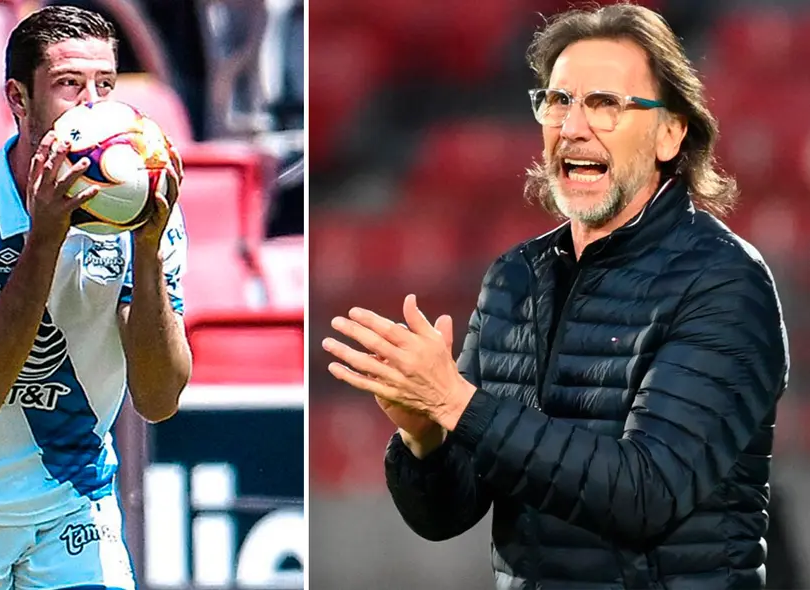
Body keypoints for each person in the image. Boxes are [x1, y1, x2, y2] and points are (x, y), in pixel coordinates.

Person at [321, 4, 789, 589]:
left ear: (671, 133)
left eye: (605, 104)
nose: (572, 126)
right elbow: (448, 516)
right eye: (559, 101)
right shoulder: (514, 279)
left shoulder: (725, 282)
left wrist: (458, 404)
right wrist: (425, 437)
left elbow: (646, 493)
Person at [0, 5, 191, 590]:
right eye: (69, 85)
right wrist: (45, 237)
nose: (93, 106)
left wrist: (148, 249)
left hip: (74, 500)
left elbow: (159, 398)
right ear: (18, 99)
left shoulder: (144, 214)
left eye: (105, 85)